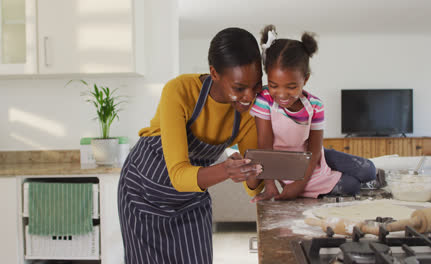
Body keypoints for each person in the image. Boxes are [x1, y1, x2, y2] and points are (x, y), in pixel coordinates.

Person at [118, 27, 265, 264]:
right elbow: (178, 174)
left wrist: (254, 172)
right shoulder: (180, 91)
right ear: (214, 73)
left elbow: (253, 188)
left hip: (191, 198)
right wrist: (227, 170)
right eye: (239, 88)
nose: (249, 96)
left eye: (256, 85)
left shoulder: (249, 113)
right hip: (143, 192)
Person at [246, 25, 376, 202]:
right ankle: (336, 177)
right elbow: (265, 147)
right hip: (287, 165)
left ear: (305, 79)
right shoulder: (265, 100)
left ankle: (333, 172)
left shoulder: (315, 105)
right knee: (352, 185)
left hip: (313, 155)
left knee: (369, 169)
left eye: (291, 87)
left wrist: (300, 185)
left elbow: (314, 149)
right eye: (274, 85)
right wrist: (271, 186)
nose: (282, 94)